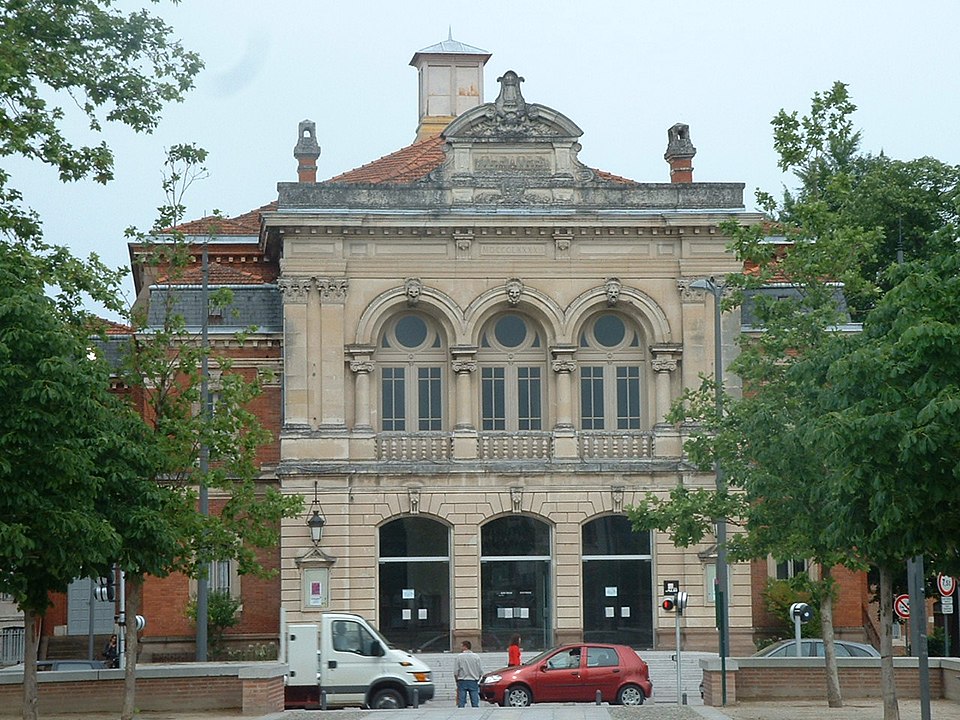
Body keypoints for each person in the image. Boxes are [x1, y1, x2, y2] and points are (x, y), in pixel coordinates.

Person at [453, 640, 483, 708]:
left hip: (462, 680)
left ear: (465, 647)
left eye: (461, 646)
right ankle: (475, 712)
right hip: (473, 680)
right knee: (475, 700)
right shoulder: (476, 657)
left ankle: (461, 713)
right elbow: (480, 671)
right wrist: (477, 678)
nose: (460, 648)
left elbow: (456, 671)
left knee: (461, 701)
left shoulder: (459, 657)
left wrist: (456, 680)